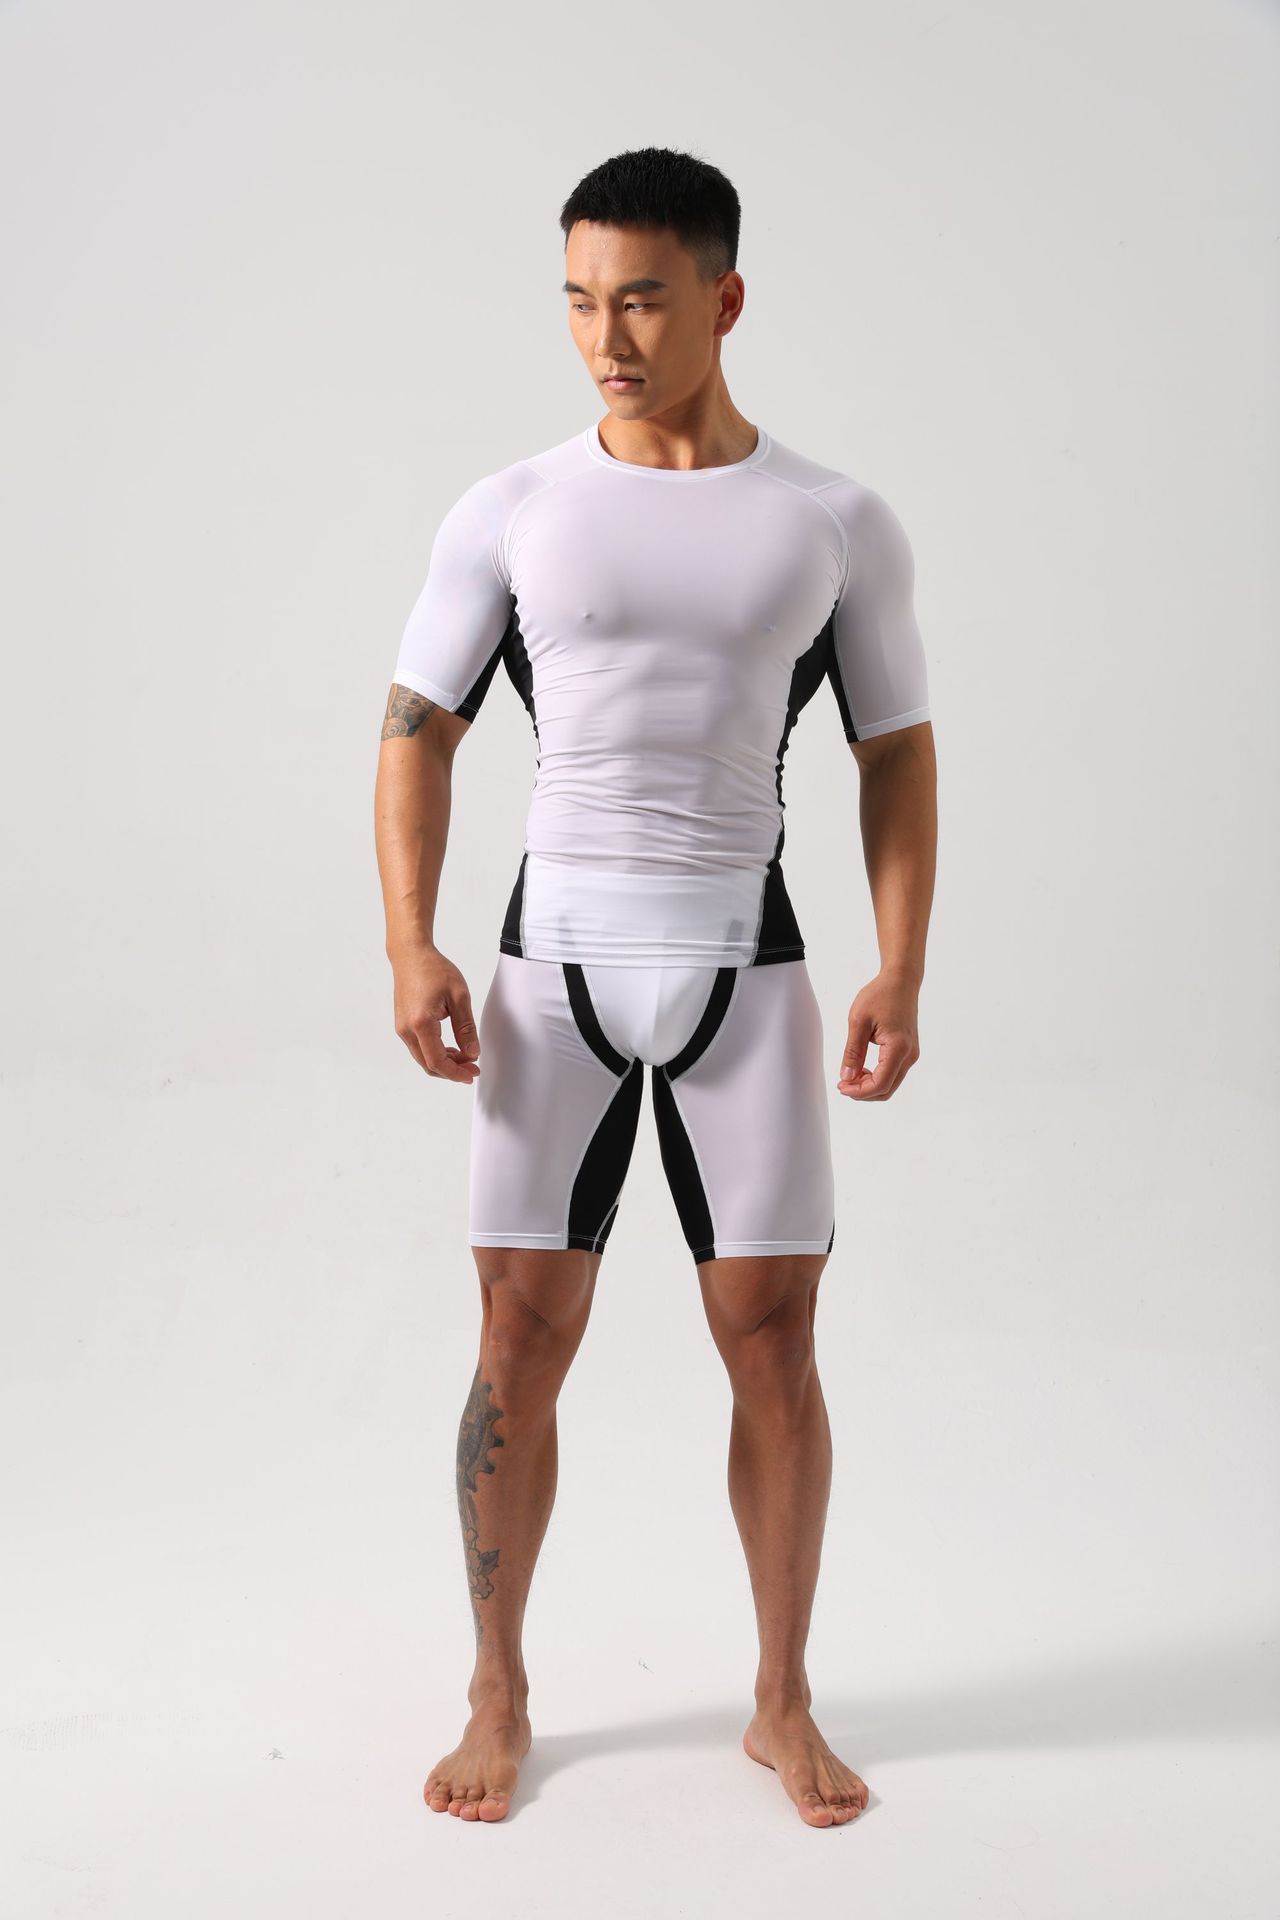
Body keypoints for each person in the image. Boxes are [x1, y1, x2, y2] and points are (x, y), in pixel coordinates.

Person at [373, 145, 938, 1830]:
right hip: (551, 972)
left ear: (724, 299)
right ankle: (497, 1689)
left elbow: (896, 754)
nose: (605, 337)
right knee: (518, 1334)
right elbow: (416, 732)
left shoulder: (832, 521)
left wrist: (902, 964)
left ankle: (782, 1700)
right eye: (578, 301)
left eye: (640, 300)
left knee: (773, 1340)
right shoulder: (512, 509)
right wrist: (409, 938)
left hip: (743, 975)